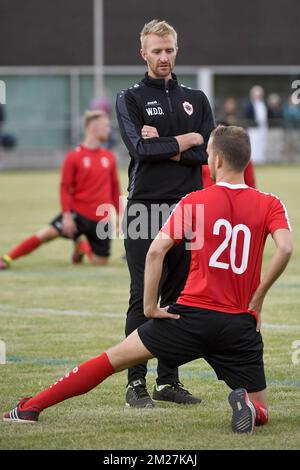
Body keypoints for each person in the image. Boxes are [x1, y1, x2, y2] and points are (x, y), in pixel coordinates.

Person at [3, 125, 292, 435]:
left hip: (188, 317)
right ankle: (250, 408)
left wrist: (151, 307)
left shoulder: (193, 201)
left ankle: (30, 408)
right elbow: (286, 248)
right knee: (261, 407)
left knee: (110, 360)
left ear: (218, 160)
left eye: (207, 154)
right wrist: (259, 296)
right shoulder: (271, 202)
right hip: (239, 325)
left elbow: (155, 252)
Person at [116, 19, 215, 407]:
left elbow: (206, 152)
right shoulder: (130, 98)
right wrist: (186, 140)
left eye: (169, 50)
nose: (163, 57)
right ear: (143, 53)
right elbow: (139, 150)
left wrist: (170, 144)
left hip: (189, 208)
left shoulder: (197, 98)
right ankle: (135, 383)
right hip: (146, 208)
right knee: (144, 294)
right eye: (156, 50)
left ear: (177, 50)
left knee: (178, 296)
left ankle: (166, 381)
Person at [0, 110, 121, 270]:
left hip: (101, 220)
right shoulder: (74, 156)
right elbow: (65, 188)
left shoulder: (109, 157)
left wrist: (119, 214)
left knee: (100, 263)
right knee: (45, 235)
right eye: (105, 125)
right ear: (93, 127)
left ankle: (81, 246)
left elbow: (114, 188)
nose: (109, 129)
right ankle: (7, 258)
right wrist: (66, 216)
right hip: (77, 213)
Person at [243, 85, 268, 165]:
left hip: (262, 128)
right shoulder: (249, 105)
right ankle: (253, 160)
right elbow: (247, 115)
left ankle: (260, 159)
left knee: (262, 143)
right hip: (253, 128)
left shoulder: (263, 104)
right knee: (253, 144)